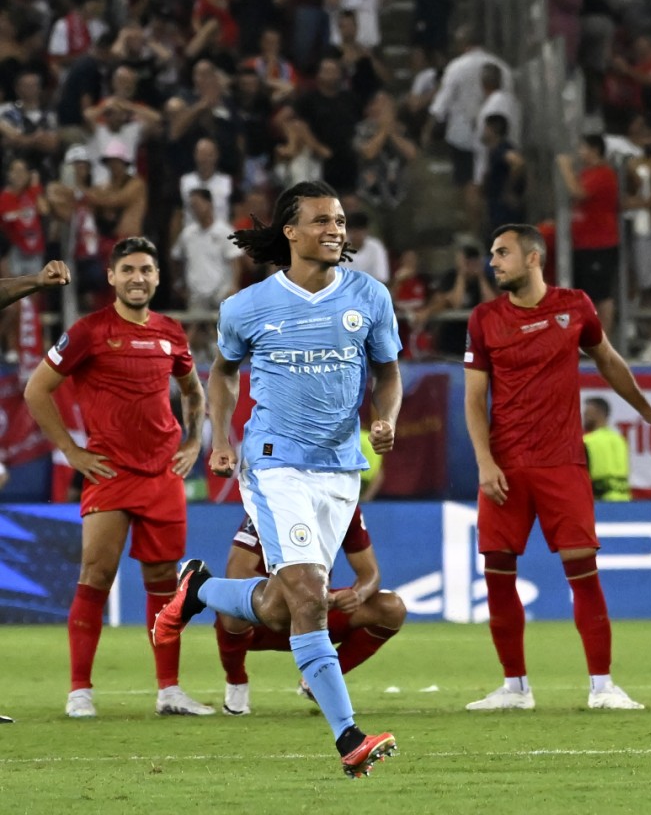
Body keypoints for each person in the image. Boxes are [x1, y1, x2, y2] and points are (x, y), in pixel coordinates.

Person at [151, 180, 400, 778]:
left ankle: (199, 589)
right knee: (310, 597)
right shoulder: (247, 307)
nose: (336, 229)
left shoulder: (370, 296)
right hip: (273, 461)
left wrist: (385, 418)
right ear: (290, 232)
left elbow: (388, 373)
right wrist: (225, 441)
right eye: (321, 221)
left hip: (341, 469)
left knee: (286, 608)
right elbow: (221, 375)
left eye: (340, 220)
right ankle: (349, 739)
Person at [462, 224, 651, 712]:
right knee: (498, 574)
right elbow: (475, 399)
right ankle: (514, 687)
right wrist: (485, 462)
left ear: (533, 258)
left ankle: (603, 686)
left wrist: (646, 411)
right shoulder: (484, 318)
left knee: (583, 570)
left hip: (562, 462)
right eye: (492, 253)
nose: (493, 262)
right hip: (506, 468)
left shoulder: (575, 306)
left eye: (503, 253)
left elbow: (609, 361)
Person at [26, 246, 200, 718]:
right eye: (128, 270)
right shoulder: (88, 332)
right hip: (110, 472)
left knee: (164, 581)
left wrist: (195, 441)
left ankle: (169, 691)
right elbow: (36, 389)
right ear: (111, 277)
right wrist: (71, 451)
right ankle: (79, 692)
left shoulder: (171, 332)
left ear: (158, 277)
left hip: (163, 474)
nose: (137, 277)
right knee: (95, 575)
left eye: (145, 269)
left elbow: (193, 389)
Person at [214, 505, 408, 716]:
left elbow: (371, 573)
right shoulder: (269, 503)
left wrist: (357, 595)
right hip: (265, 615)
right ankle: (236, 682)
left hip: (313, 617)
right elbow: (237, 572)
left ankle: (319, 681)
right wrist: (293, 595)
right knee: (230, 606)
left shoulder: (345, 507)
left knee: (391, 608)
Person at [583, 398, 630, 502]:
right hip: (625, 501)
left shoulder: (587, 441)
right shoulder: (620, 440)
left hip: (600, 502)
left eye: (586, 414)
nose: (584, 418)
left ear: (597, 413)